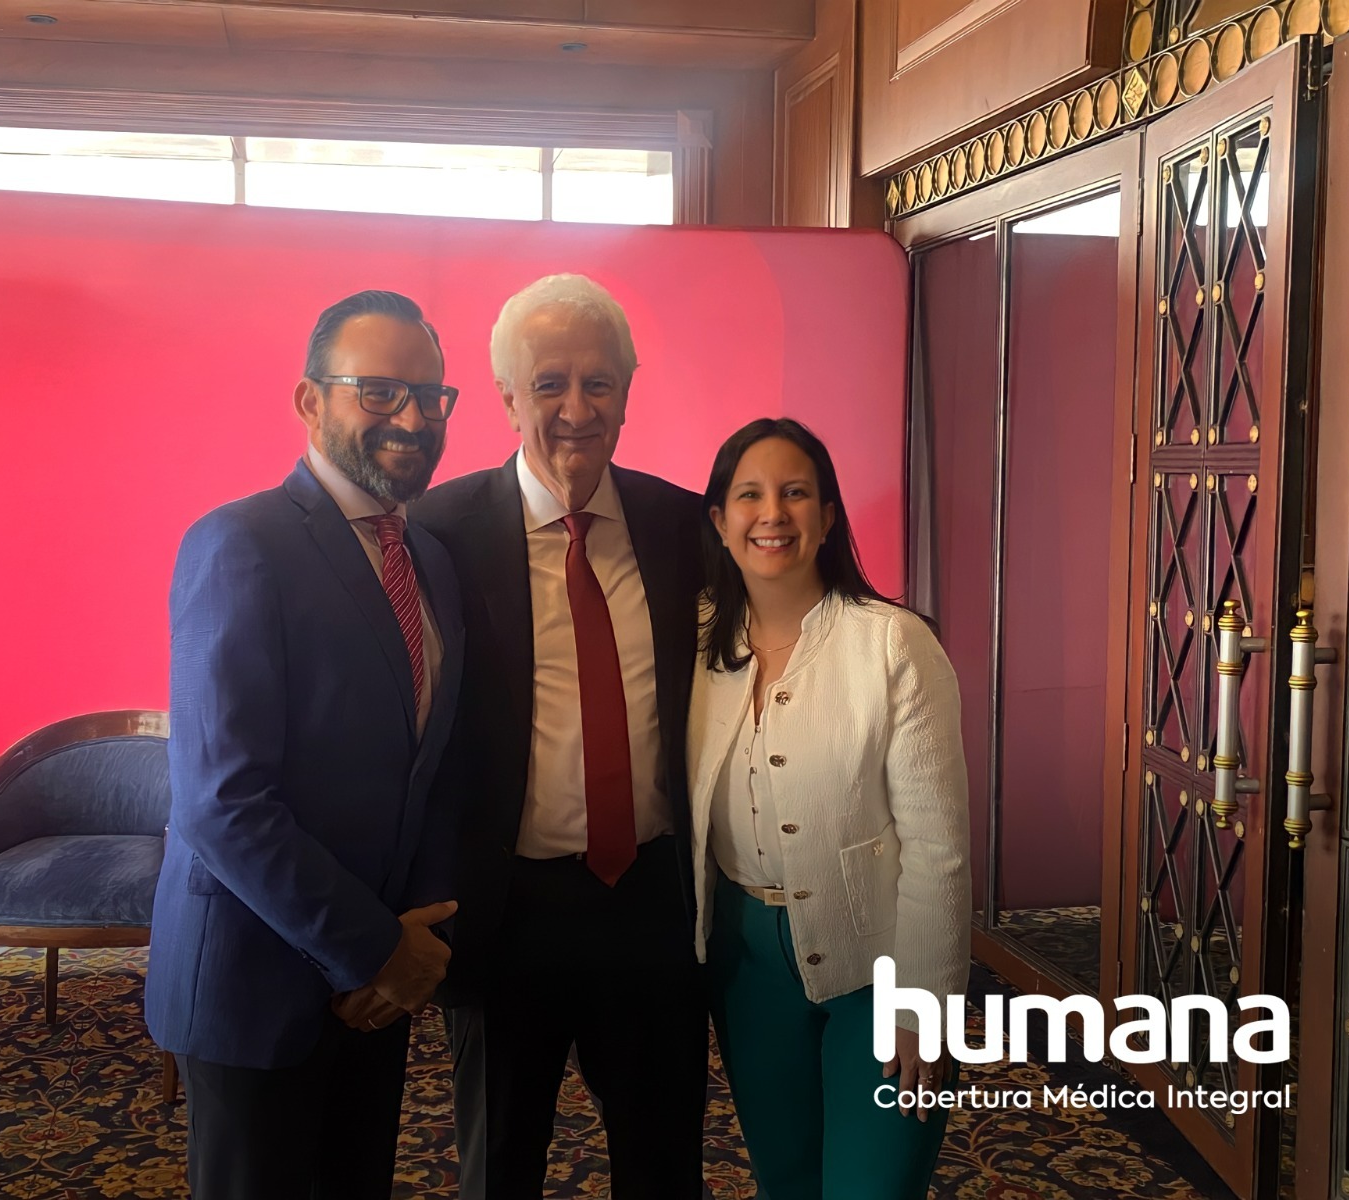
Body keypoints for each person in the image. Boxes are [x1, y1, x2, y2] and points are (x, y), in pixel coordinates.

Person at [145, 289, 466, 1200]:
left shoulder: (430, 561)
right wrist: (374, 949)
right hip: (257, 989)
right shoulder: (239, 544)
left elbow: (431, 768)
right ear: (309, 399)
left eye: (430, 397)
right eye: (380, 392)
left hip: (377, 993)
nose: (412, 419)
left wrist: (414, 945)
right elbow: (222, 804)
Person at [410, 273, 708, 1199]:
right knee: (499, 1167)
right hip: (506, 912)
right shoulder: (438, 533)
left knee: (665, 1163)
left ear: (628, 389)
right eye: (549, 384)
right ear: (507, 399)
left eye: (599, 382)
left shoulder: (682, 525)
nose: (577, 410)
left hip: (652, 903)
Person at [689, 417, 970, 1200]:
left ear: (828, 515)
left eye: (795, 493)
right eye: (749, 495)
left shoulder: (893, 644)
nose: (772, 514)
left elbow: (939, 848)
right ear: (720, 519)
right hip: (746, 966)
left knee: (874, 1186)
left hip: (880, 968)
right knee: (786, 1180)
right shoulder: (696, 641)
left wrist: (925, 1005)